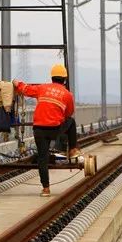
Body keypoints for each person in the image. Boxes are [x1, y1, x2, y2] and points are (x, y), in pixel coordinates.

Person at [13, 63, 81, 197]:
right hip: (55, 129)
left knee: (42, 158)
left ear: (52, 78)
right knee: (71, 122)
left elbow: (25, 89)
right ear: (65, 80)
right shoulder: (67, 94)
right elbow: (69, 113)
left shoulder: (42, 88)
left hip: (38, 129)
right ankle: (72, 149)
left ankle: (46, 189)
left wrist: (16, 83)